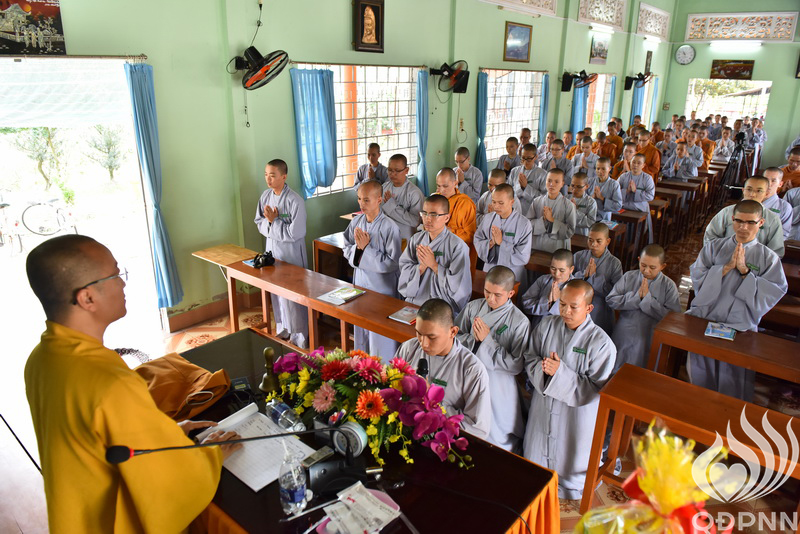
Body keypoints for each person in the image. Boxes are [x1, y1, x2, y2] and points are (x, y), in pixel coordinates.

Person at [24, 235, 241, 533]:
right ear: (87, 298)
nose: (123, 283)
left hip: (76, 515)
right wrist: (210, 455)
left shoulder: (42, 358)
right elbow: (167, 484)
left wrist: (168, 435)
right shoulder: (111, 385)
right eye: (115, 275)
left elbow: (94, 439)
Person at [522, 279, 617, 499]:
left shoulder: (601, 343)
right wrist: (545, 371)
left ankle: (569, 483)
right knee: (536, 464)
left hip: (576, 415)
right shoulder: (547, 325)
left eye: (574, 307)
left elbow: (595, 387)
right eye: (562, 304)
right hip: (543, 405)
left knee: (571, 457)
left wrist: (560, 374)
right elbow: (530, 356)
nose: (566, 311)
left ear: (589, 308)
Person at [687, 200, 787, 401]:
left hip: (741, 325)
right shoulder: (714, 248)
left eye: (750, 222)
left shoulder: (768, 257)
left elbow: (774, 291)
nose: (743, 227)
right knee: (700, 371)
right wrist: (724, 269)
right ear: (732, 220)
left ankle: (728, 420)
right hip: (708, 317)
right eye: (739, 221)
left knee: (733, 377)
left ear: (761, 223)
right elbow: (697, 278)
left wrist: (744, 271)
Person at [455, 266, 529, 452]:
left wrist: (487, 341)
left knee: (496, 425)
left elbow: (516, 364)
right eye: (487, 292)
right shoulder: (473, 307)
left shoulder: (520, 321)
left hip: (498, 380)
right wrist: (474, 339)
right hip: (469, 372)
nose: (490, 298)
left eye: (498, 295)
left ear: (511, 293)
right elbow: (454, 337)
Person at [395, 298, 492, 439]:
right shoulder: (409, 348)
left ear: (453, 332)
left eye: (431, 337)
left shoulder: (472, 370)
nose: (424, 344)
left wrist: (433, 403)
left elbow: (478, 430)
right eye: (419, 334)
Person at [343, 180, 402, 360]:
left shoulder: (389, 226)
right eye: (359, 199)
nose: (361, 204)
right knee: (362, 330)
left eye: (366, 200)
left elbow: (393, 262)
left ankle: (383, 369)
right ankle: (362, 367)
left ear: (379, 200)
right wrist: (358, 249)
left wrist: (366, 249)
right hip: (361, 282)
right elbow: (346, 247)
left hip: (381, 288)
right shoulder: (357, 221)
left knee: (380, 336)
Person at [255, 159, 309, 348]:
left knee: (294, 295)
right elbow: (259, 222)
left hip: (291, 254)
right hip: (272, 250)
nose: (268, 179)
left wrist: (274, 222)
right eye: (265, 175)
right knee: (277, 294)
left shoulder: (295, 200)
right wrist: (270, 223)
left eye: (272, 175)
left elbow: (296, 233)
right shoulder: (265, 196)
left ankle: (300, 335)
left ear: (284, 176)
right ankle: (283, 328)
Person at [607, 244, 680, 370]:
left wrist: (647, 300)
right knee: (615, 368)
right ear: (639, 260)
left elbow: (673, 318)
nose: (646, 271)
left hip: (649, 334)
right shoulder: (629, 277)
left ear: (662, 266)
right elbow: (611, 300)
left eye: (652, 267)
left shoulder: (668, 286)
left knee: (643, 370)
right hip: (624, 332)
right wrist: (634, 298)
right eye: (643, 265)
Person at [398, 194, 472, 314]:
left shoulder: (458, 246)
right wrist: (421, 267)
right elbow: (404, 269)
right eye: (425, 213)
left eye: (434, 215)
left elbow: (460, 285)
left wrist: (433, 265)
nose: (427, 219)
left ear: (446, 218)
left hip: (442, 305)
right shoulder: (416, 239)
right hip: (416, 300)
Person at [704, 176, 784, 258]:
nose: (752, 194)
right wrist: (721, 256)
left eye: (759, 191)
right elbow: (710, 237)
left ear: (766, 194)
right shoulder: (727, 212)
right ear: (743, 190)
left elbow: (776, 251)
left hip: (755, 264)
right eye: (749, 189)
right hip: (723, 258)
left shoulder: (772, 219)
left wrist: (756, 263)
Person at [474, 183, 532, 283]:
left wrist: (502, 243)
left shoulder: (524, 224)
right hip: (490, 268)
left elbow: (523, 256)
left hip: (512, 271)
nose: (496, 206)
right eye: (494, 202)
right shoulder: (488, 218)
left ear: (511, 202)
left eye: (501, 203)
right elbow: (478, 238)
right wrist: (490, 243)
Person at [573, 222, 623, 335]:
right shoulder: (579, 256)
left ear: (607, 241)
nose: (593, 244)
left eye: (598, 241)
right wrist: (583, 275)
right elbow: (569, 280)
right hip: (578, 305)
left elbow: (615, 293)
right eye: (590, 240)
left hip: (601, 309)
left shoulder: (614, 263)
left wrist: (594, 278)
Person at [436, 167, 478, 272]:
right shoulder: (435, 199)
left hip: (458, 254)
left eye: (445, 186)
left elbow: (471, 236)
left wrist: (450, 233)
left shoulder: (465, 203)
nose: (441, 190)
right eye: (438, 186)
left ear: (455, 183)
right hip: (437, 253)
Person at [521, 249, 575, 327]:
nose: (556, 274)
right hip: (538, 325)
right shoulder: (543, 280)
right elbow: (526, 303)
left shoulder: (576, 287)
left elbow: (574, 315)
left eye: (561, 270)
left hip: (560, 329)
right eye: (553, 268)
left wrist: (557, 302)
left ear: (571, 269)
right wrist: (547, 303)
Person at [527, 169, 576, 252]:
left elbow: (570, 231)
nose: (551, 184)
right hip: (537, 246)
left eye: (556, 182)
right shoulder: (537, 201)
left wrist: (552, 220)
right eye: (549, 180)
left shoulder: (568, 205)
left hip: (557, 248)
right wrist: (542, 221)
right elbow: (527, 224)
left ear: (562, 183)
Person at [381, 153, 424, 241]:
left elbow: (415, 221)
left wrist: (391, 205)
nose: (393, 174)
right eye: (390, 170)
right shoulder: (384, 188)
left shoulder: (414, 193)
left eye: (397, 170)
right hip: (384, 235)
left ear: (406, 170)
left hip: (404, 238)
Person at [618, 153, 656, 244]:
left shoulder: (648, 178)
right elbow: (615, 193)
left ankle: (635, 251)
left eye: (639, 163)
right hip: (625, 208)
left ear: (643, 165)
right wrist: (626, 191)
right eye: (633, 162)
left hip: (639, 209)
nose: (635, 165)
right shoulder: (623, 177)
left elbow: (650, 196)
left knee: (637, 235)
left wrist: (636, 191)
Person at [511, 143, 547, 215]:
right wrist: (518, 189)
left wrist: (525, 187)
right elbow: (508, 191)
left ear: (535, 157)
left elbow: (544, 198)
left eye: (529, 158)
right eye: (523, 158)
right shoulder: (514, 171)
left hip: (532, 211)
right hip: (514, 210)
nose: (525, 161)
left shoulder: (542, 174)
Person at [761, 167, 792, 239]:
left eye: (773, 181)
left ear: (780, 184)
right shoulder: (749, 201)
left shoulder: (785, 207)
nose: (768, 184)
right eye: (765, 179)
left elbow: (783, 234)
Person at [592, 157, 622, 222]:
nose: (600, 171)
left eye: (603, 169)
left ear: (609, 169)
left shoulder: (614, 184)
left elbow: (618, 206)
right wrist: (591, 197)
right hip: (589, 217)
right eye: (598, 168)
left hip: (604, 218)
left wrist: (602, 198)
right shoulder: (590, 181)